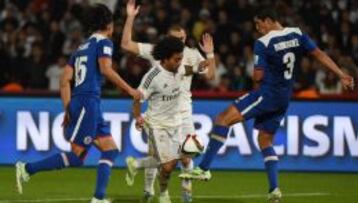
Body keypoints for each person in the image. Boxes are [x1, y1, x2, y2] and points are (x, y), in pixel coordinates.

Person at [179, 9, 354, 203]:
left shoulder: (263, 43)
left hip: (267, 94)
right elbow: (319, 54)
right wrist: (341, 74)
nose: (258, 28)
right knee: (265, 140)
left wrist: (257, 71)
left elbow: (257, 76)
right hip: (284, 97)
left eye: (259, 24)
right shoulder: (296, 33)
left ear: (269, 20)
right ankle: (274, 190)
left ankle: (203, 168)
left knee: (222, 119)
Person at [15, 4, 141, 203]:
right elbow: (107, 69)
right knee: (76, 157)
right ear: (109, 25)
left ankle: (99, 198)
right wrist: (131, 90)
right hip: (87, 103)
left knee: (111, 149)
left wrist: (68, 107)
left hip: (85, 103)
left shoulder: (80, 48)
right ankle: (27, 168)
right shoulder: (105, 43)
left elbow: (64, 80)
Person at [121, 0, 215, 202]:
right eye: (175, 40)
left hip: (183, 114)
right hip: (158, 114)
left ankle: (185, 196)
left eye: (181, 39)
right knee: (161, 160)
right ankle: (151, 191)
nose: (179, 44)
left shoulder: (188, 56)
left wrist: (210, 55)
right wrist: (130, 17)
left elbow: (208, 74)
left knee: (185, 157)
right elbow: (126, 44)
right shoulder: (157, 54)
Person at [133, 36, 185, 203]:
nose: (179, 62)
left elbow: (191, 69)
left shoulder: (181, 68)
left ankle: (160, 191)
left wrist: (206, 60)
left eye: (181, 58)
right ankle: (159, 192)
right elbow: (137, 97)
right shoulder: (153, 76)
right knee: (167, 164)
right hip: (156, 124)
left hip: (175, 123)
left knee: (167, 167)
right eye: (176, 59)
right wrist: (137, 116)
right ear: (165, 58)